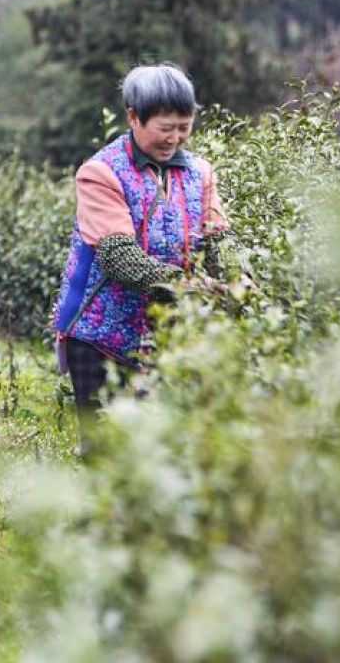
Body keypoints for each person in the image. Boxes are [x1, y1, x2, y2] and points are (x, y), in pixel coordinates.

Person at [52, 64, 228, 438]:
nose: (175, 139)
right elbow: (119, 257)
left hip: (168, 336)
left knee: (160, 449)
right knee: (106, 448)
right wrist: (189, 286)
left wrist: (234, 279)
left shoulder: (201, 173)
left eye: (184, 127)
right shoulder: (100, 173)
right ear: (133, 117)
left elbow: (218, 241)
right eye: (165, 128)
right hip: (100, 336)